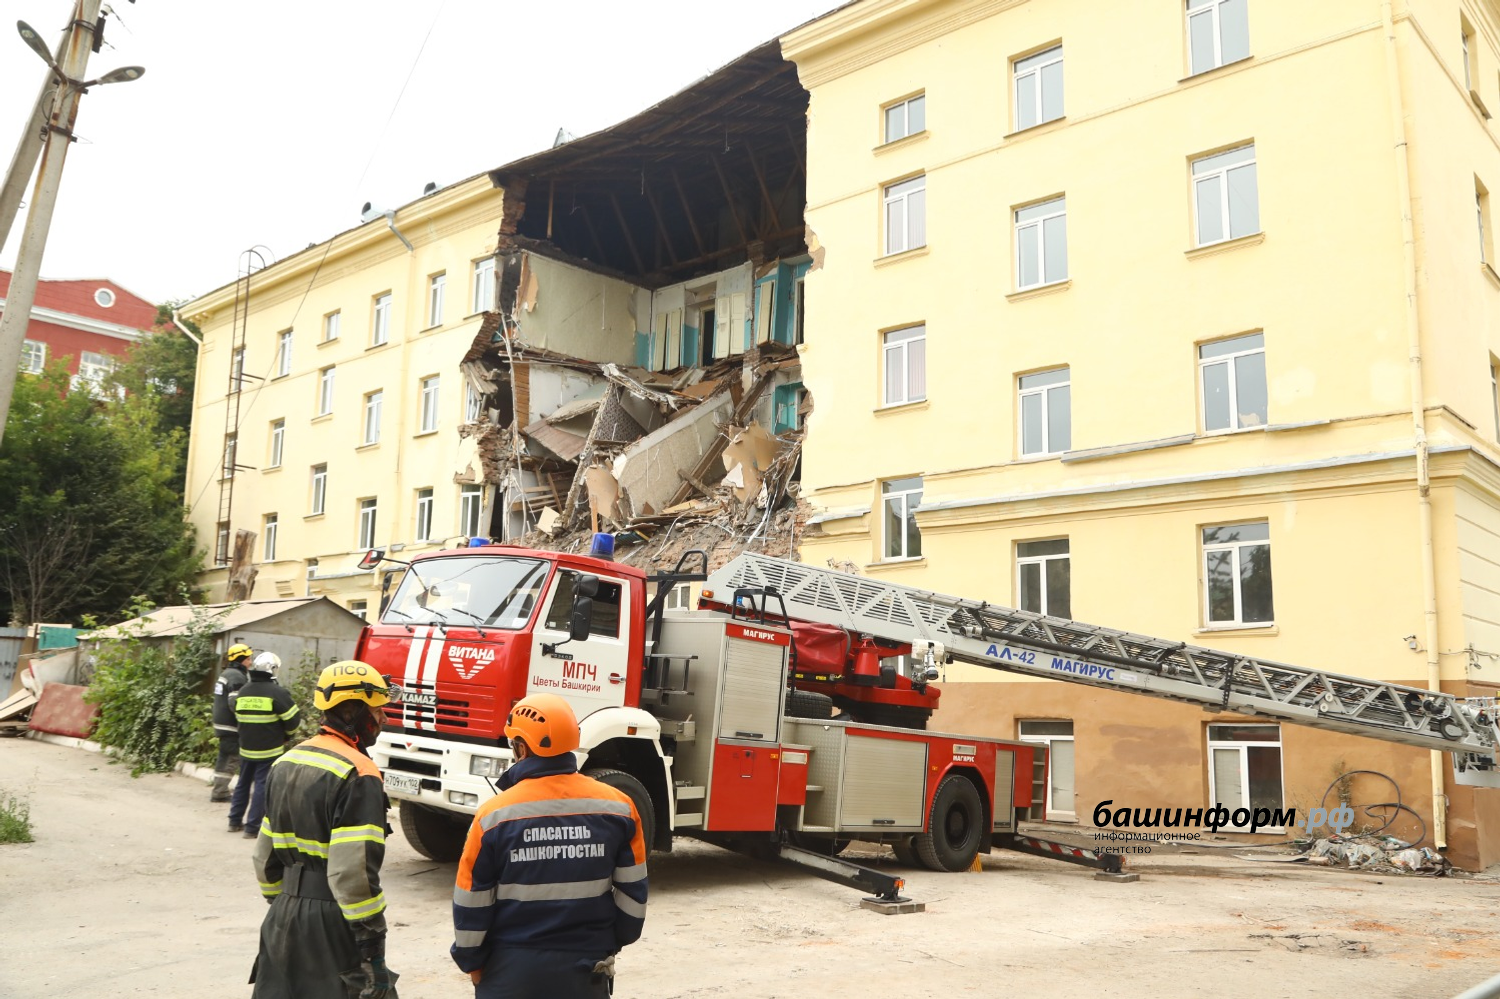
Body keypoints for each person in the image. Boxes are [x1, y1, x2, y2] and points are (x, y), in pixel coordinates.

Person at [451, 693, 648, 998]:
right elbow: (633, 895)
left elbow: (472, 898)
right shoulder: (619, 807)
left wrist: (471, 961)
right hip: (586, 966)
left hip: (510, 968)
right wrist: (608, 943)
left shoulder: (493, 816)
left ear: (521, 748)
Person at [250, 660, 399, 999]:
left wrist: (287, 902)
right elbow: (352, 872)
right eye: (378, 710)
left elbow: (263, 857)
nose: (384, 719)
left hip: (282, 915)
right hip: (334, 920)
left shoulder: (286, 761)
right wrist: (372, 942)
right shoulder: (359, 771)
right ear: (352, 712)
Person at [230, 651, 299, 838]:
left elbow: (237, 715)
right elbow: (293, 719)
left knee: (243, 783)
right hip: (269, 750)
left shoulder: (244, 691)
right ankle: (252, 828)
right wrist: (287, 736)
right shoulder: (277, 693)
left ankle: (234, 821)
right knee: (262, 786)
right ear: (274, 669)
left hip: (246, 748)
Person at [210, 643, 254, 803]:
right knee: (232, 758)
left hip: (222, 724)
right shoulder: (236, 676)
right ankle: (220, 792)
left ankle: (221, 789)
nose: (250, 662)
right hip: (231, 726)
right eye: (248, 659)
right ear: (241, 660)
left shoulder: (227, 673)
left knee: (226, 758)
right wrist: (248, 720)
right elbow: (235, 703)